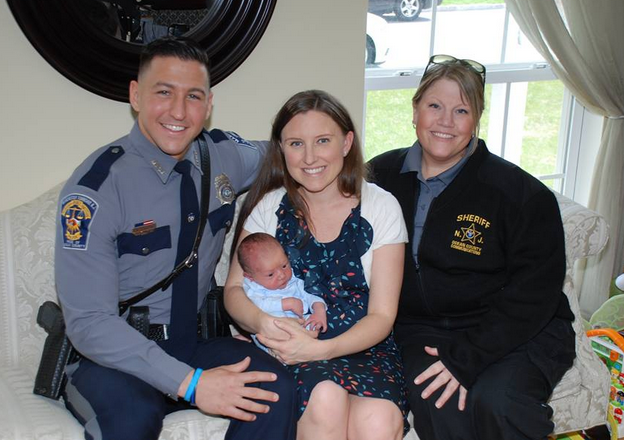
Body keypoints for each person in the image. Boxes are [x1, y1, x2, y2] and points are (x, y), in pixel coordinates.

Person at [55, 37, 296, 440]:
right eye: (163, 92)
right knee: (132, 420)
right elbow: (90, 323)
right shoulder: (95, 189)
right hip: (115, 357)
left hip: (195, 341)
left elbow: (296, 154)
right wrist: (192, 384)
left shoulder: (223, 157)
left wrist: (360, 180)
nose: (179, 112)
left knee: (274, 389)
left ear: (209, 103)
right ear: (135, 94)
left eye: (194, 97)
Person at [368, 54, 576, 440]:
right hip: (421, 330)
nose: (445, 121)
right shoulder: (379, 179)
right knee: (440, 402)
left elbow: (534, 296)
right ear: (415, 111)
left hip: (520, 330)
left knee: (498, 402)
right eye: (434, 106)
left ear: (476, 119)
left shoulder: (521, 195)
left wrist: (468, 358)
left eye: (461, 110)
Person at [224, 89, 411, 440]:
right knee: (326, 398)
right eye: (295, 143)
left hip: (363, 346)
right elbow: (234, 290)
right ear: (281, 148)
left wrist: (323, 348)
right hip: (289, 349)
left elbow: (382, 316)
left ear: (346, 143)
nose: (309, 157)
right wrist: (265, 323)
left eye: (323, 140)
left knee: (380, 422)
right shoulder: (268, 208)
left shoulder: (381, 207)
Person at [237, 232, 328, 352]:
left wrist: (319, 310)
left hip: (299, 328)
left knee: (312, 325)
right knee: (266, 326)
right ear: (250, 277)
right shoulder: (254, 288)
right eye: (270, 274)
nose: (281, 275)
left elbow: (310, 295)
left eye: (284, 266)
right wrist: (285, 303)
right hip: (270, 332)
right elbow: (257, 305)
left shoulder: (293, 281)